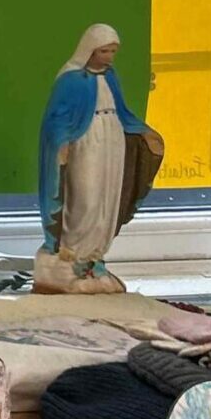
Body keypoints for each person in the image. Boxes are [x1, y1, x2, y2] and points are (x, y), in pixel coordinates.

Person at [38, 24, 164, 293]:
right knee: (85, 197)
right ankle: (71, 255)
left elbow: (122, 111)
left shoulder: (110, 77)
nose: (109, 57)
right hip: (85, 142)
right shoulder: (70, 80)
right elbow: (56, 119)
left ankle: (94, 259)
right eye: (104, 51)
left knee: (107, 200)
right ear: (90, 50)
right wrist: (62, 141)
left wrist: (143, 132)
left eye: (113, 52)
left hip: (111, 141)